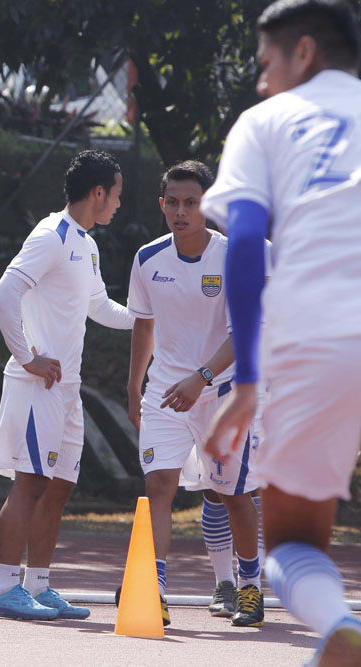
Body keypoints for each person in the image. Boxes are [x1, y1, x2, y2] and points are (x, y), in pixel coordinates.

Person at [203, 0, 361, 662]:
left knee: (294, 548)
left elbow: (242, 242)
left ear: (304, 53)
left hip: (318, 332)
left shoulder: (263, 122)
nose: (261, 81)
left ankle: (338, 627)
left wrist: (245, 382)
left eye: (267, 64)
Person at [0, 150, 133, 621]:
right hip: (37, 387)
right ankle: (4, 588)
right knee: (29, 484)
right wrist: (27, 357)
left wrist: (149, 316)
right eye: (117, 195)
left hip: (67, 390)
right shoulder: (51, 235)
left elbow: (100, 307)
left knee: (59, 487)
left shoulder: (86, 244)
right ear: (98, 193)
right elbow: (4, 292)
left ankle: (38, 585)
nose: (118, 204)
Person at [126, 160, 263, 628]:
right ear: (161, 204)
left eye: (191, 202)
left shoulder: (235, 257)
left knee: (233, 495)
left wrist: (201, 378)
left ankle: (248, 586)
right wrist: (132, 385)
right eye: (173, 202)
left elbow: (244, 333)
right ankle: (155, 591)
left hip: (222, 394)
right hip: (166, 393)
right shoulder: (147, 258)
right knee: (159, 486)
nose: (180, 211)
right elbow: (143, 324)